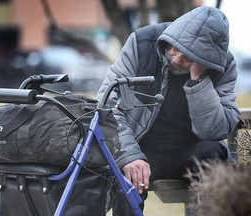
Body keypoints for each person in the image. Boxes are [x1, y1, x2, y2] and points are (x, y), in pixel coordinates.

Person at [97, 5, 241, 215]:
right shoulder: (142, 43)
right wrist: (129, 156)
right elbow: (107, 106)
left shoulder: (222, 66)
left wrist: (199, 80)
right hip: (143, 150)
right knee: (126, 178)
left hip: (191, 151)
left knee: (213, 152)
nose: (176, 58)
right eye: (176, 48)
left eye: (188, 56)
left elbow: (216, 130)